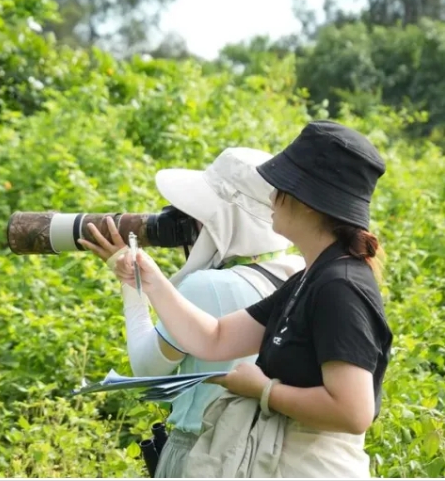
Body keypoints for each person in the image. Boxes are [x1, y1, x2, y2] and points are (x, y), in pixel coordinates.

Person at [113, 121, 393, 477]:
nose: (272, 195)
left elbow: (352, 412)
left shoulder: (341, 287)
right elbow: (215, 337)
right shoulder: (311, 277)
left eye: (282, 185)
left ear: (307, 203)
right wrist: (150, 280)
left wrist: (264, 390)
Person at [80, 147, 305, 478]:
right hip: (272, 456)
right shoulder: (300, 275)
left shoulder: (209, 287)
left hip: (203, 454)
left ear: (224, 221)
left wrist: (131, 283)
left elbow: (146, 366)